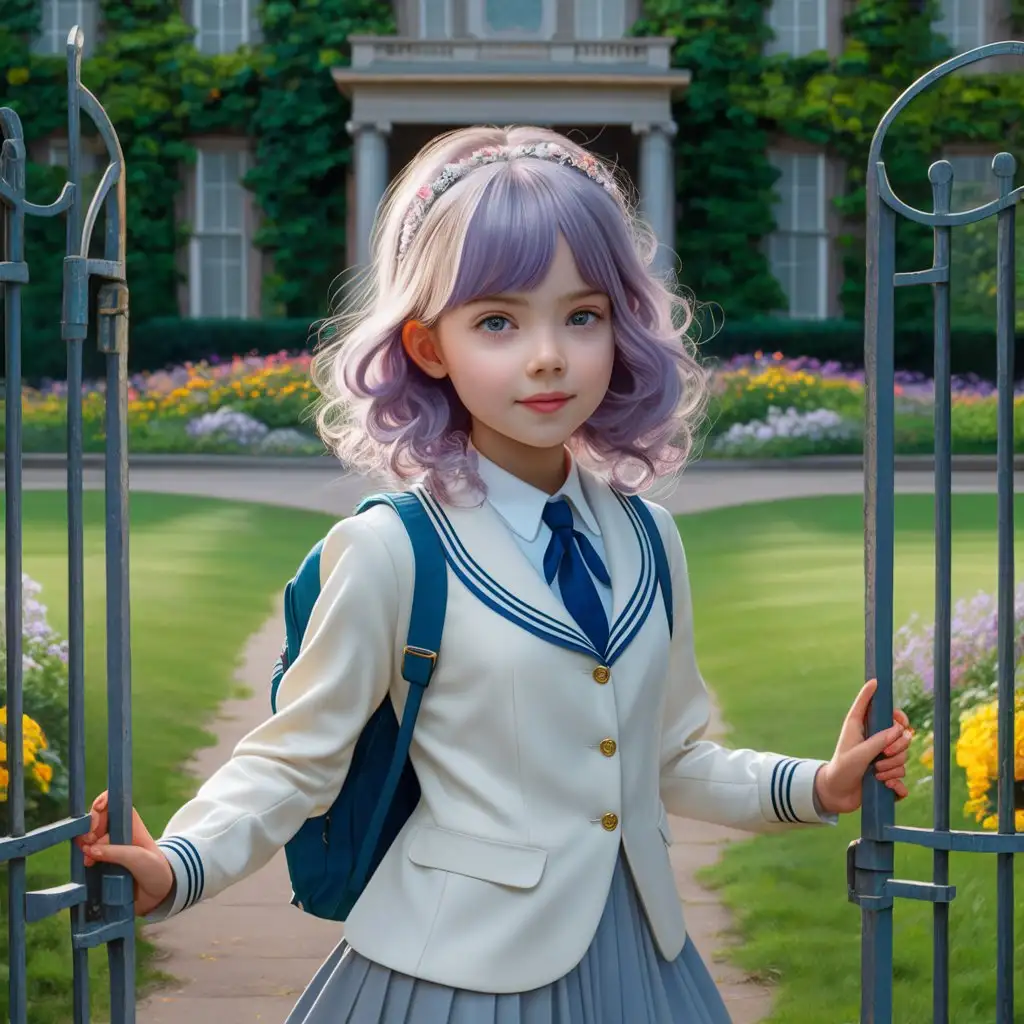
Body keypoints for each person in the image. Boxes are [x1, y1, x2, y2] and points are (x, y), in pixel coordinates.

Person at [78, 126, 912, 1023]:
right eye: (498, 322)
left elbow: (665, 757)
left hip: (643, 965)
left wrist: (818, 787)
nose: (548, 355)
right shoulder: (392, 548)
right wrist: (178, 862)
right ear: (429, 347)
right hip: (452, 975)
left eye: (581, 315)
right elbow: (292, 762)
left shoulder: (650, 539)